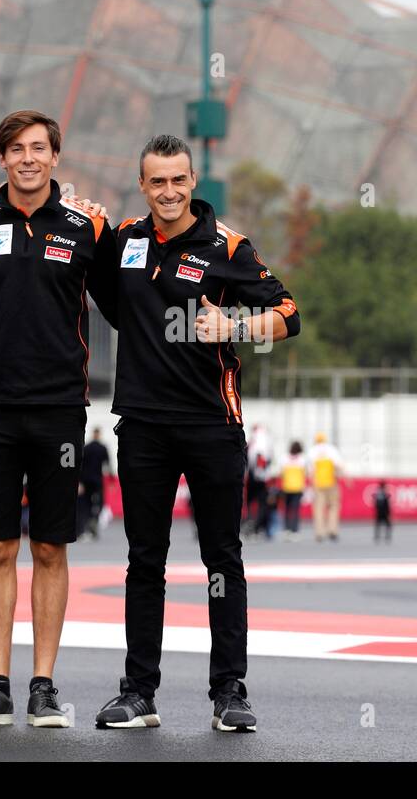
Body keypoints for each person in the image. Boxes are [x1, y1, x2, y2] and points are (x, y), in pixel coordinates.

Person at [94, 134, 300, 733]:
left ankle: (229, 691)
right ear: (142, 184)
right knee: (143, 562)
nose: (168, 191)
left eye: (178, 180)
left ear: (192, 182)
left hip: (213, 425)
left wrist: (234, 321)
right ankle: (138, 693)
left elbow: (290, 314)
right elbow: (104, 298)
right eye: (157, 181)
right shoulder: (125, 240)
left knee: (222, 560)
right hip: (142, 427)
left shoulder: (227, 246)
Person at [0, 110, 116, 729]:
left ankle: (44, 687)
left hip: (59, 411)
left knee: (50, 547)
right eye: (16, 149)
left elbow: (129, 302)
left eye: (39, 149)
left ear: (56, 158)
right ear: (2, 159)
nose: (27, 158)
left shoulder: (86, 226)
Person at [77, 427, 113, 541]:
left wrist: (80, 481)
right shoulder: (102, 448)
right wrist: (111, 479)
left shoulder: (86, 448)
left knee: (85, 503)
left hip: (86, 480)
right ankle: (93, 519)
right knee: (99, 503)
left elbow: (80, 465)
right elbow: (107, 464)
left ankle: (85, 524)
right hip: (97, 480)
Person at [308, 432, 345, 542]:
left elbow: (310, 470)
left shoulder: (312, 451)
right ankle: (332, 530)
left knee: (319, 508)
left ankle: (320, 532)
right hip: (331, 482)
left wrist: (312, 482)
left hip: (318, 483)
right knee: (333, 506)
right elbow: (339, 465)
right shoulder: (331, 449)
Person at [279, 441, 307, 542]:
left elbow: (281, 472)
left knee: (287, 510)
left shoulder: (284, 458)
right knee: (295, 510)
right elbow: (304, 473)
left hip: (287, 487)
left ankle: (287, 529)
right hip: (297, 488)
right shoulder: (302, 459)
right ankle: (294, 530)